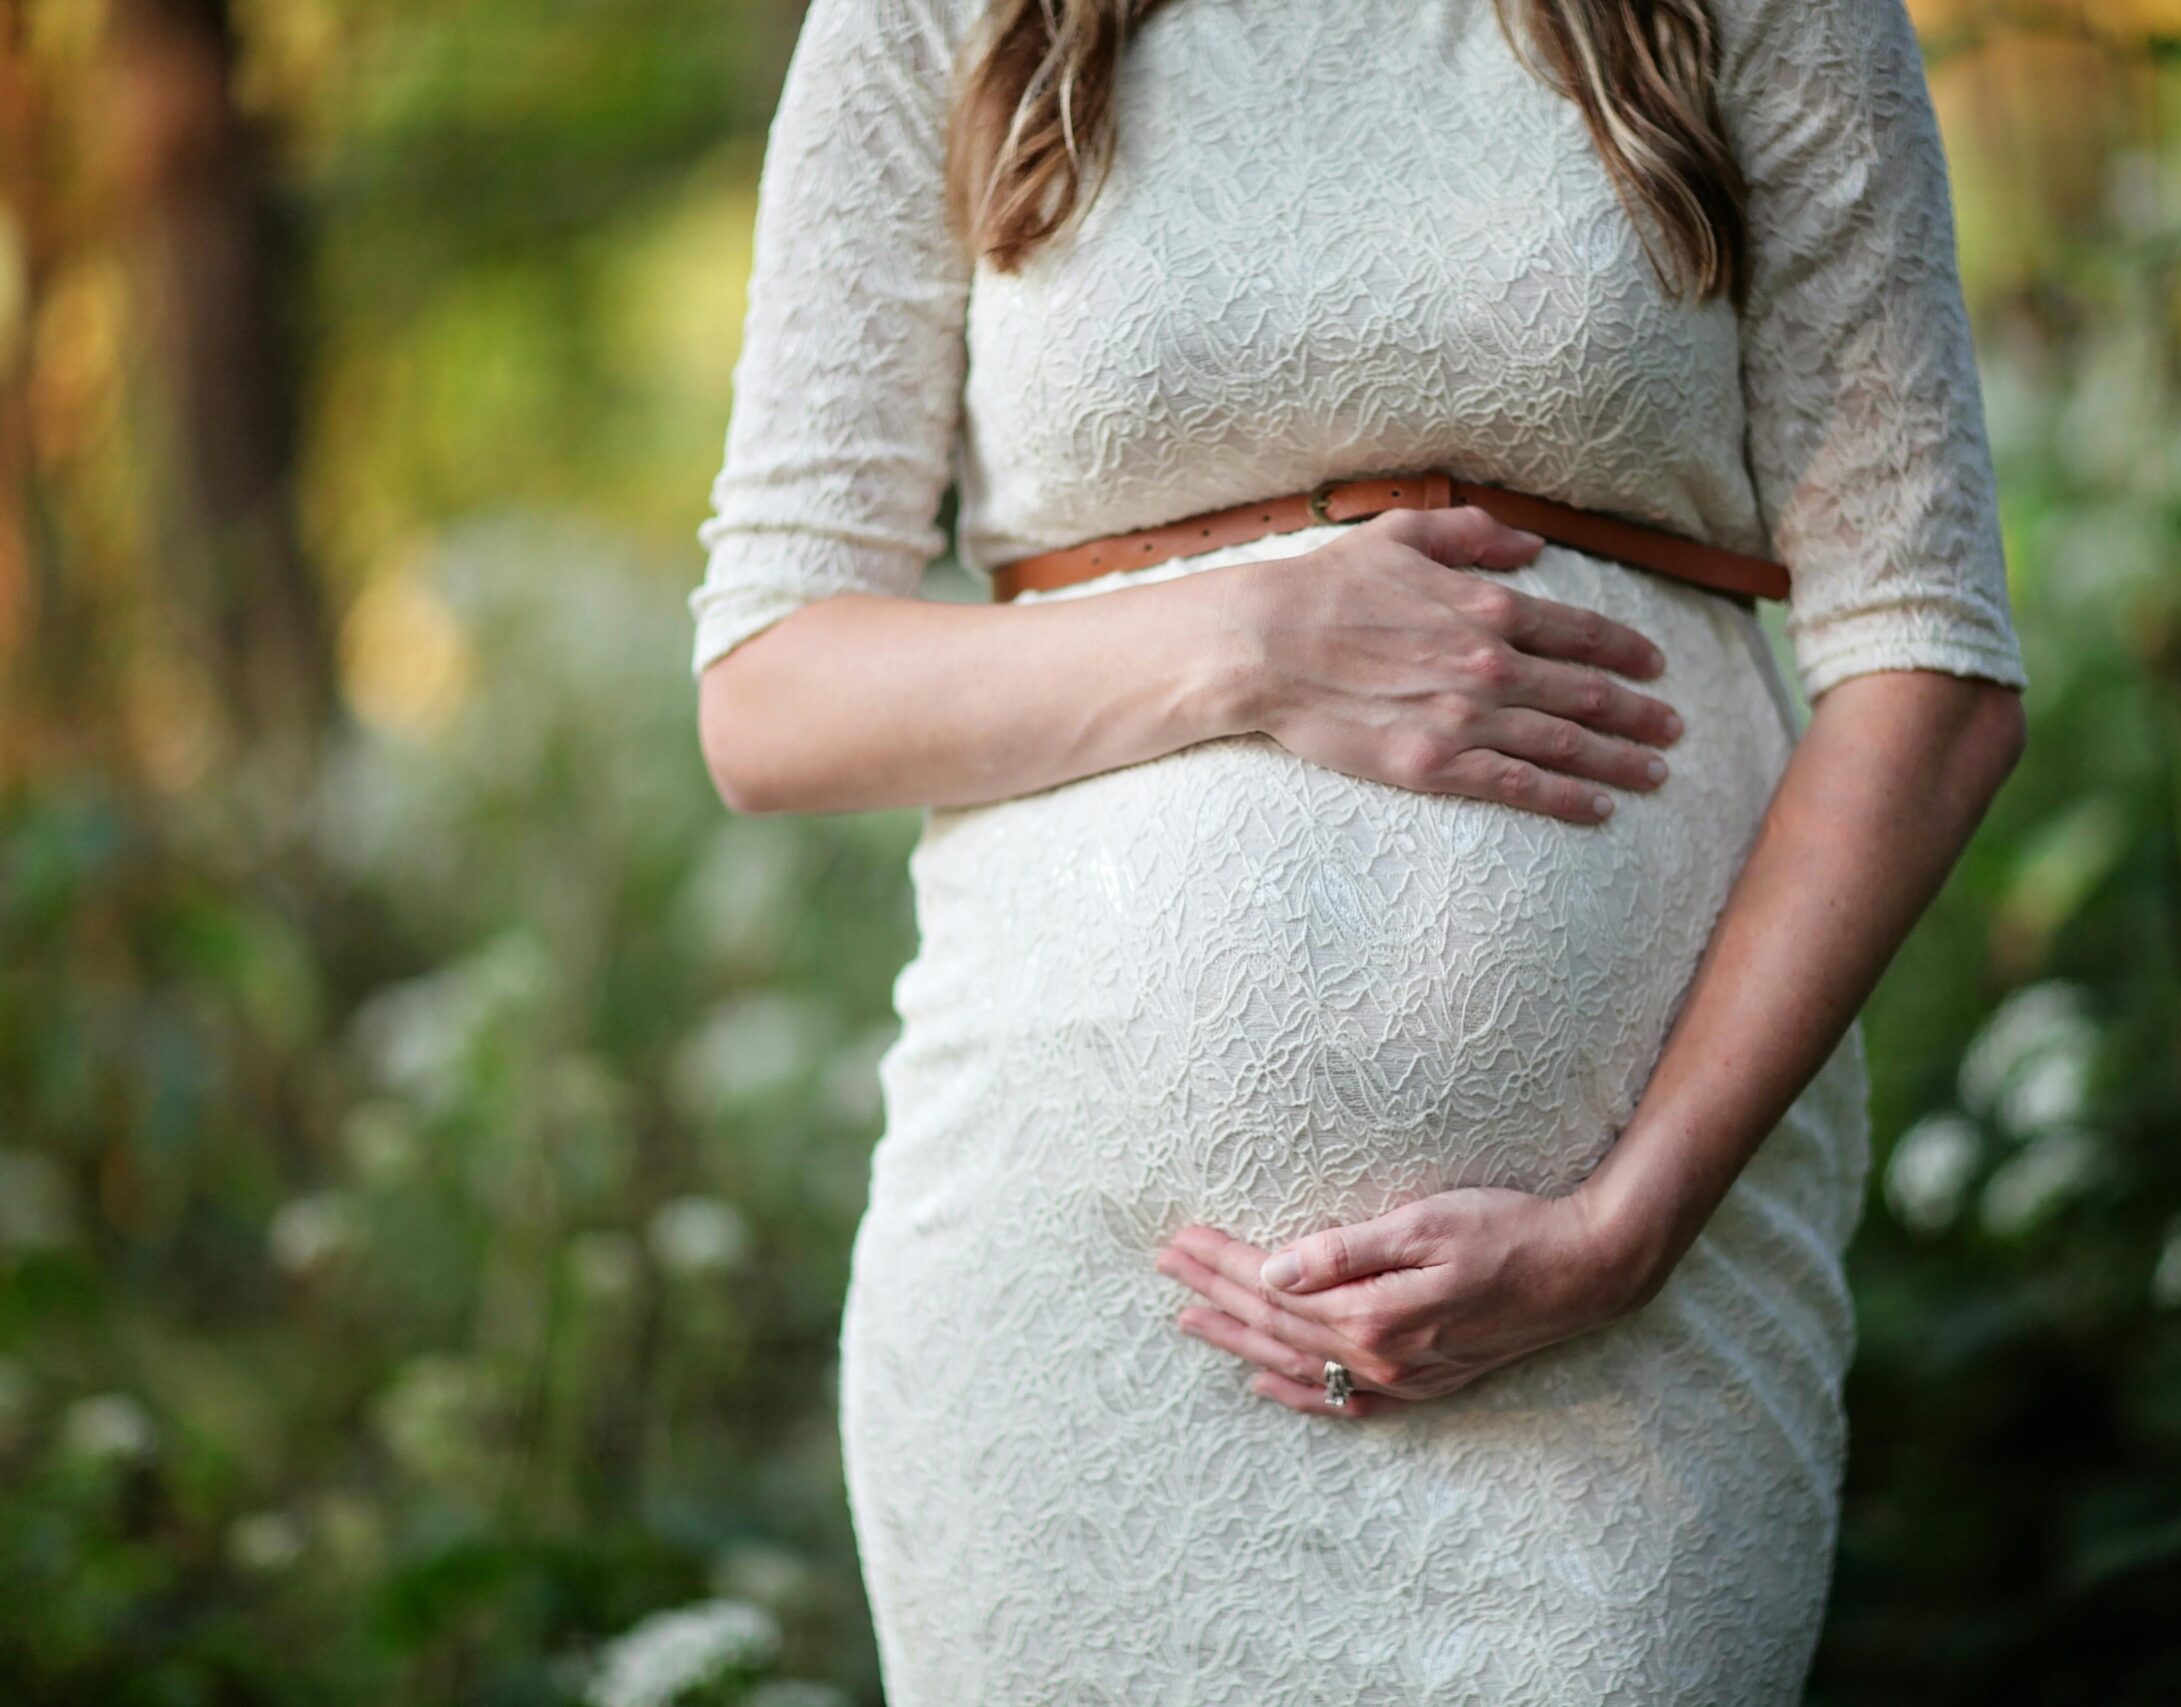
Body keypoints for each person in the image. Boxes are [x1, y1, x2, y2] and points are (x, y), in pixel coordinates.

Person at [685, 0, 2028, 1698]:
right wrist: (1251, 644)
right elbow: (772, 693)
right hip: (1069, 1319)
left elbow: (1933, 667)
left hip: (1631, 1326)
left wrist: (1624, 1229)